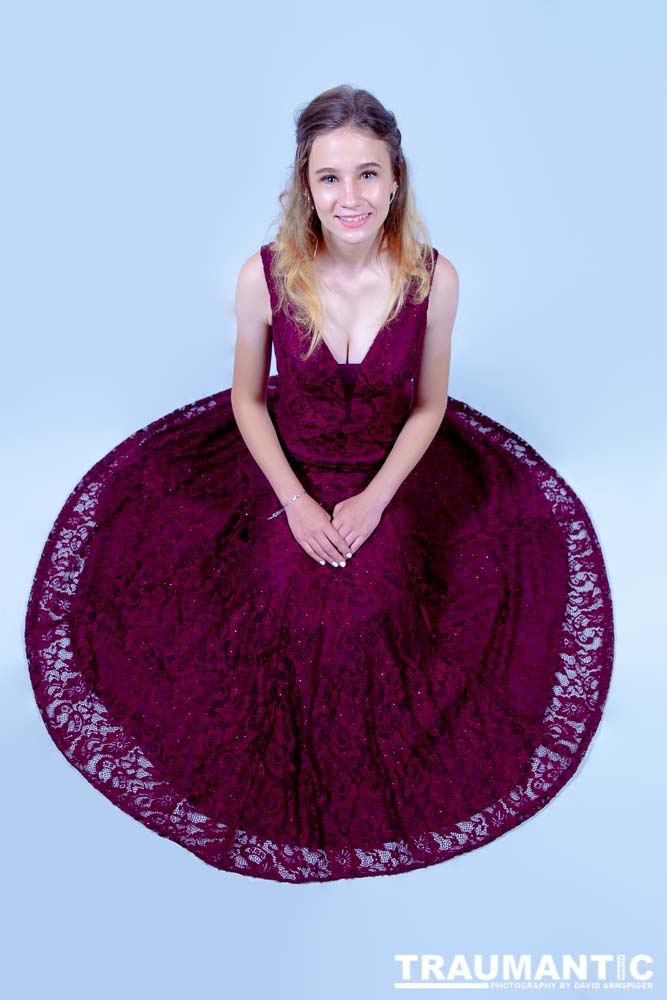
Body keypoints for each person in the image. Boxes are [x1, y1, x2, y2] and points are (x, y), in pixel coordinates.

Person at [24, 84, 615, 884]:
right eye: (329, 177)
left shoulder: (434, 280)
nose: (349, 197)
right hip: (284, 471)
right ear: (305, 185)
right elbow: (246, 400)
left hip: (389, 471)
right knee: (278, 597)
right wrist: (295, 502)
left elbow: (429, 406)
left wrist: (375, 500)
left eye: (367, 174)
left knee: (377, 606)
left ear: (396, 179)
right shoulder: (262, 275)